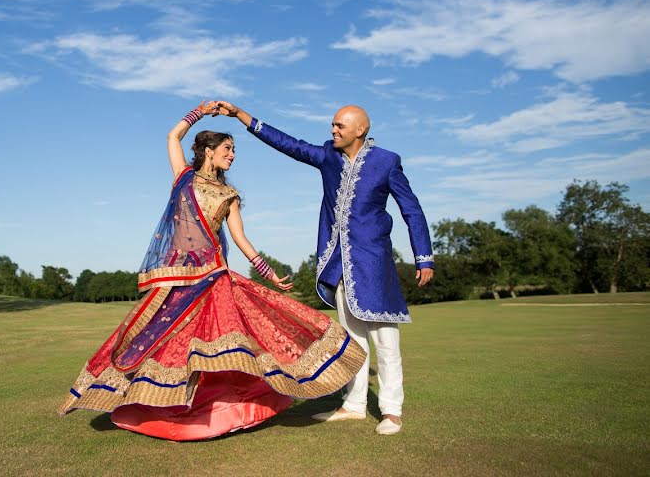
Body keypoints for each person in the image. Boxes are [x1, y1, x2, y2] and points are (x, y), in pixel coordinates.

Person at [58, 102, 366, 441]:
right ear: (208, 151)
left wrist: (268, 272)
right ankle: (156, 404)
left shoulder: (229, 194)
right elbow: (173, 135)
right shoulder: (183, 178)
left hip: (214, 278)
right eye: (227, 149)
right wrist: (198, 113)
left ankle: (221, 410)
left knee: (220, 344)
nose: (232, 155)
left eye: (233, 150)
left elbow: (241, 239)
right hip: (178, 280)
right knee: (159, 343)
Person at [215, 101, 434, 436]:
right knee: (352, 342)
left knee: (386, 343)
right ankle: (353, 405)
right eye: (332, 125)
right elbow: (288, 144)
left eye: (339, 126)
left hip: (374, 265)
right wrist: (242, 116)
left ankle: (392, 411)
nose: (332, 131)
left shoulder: (387, 162)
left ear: (359, 129)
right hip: (338, 266)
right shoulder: (327, 157)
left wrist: (424, 257)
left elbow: (412, 210)